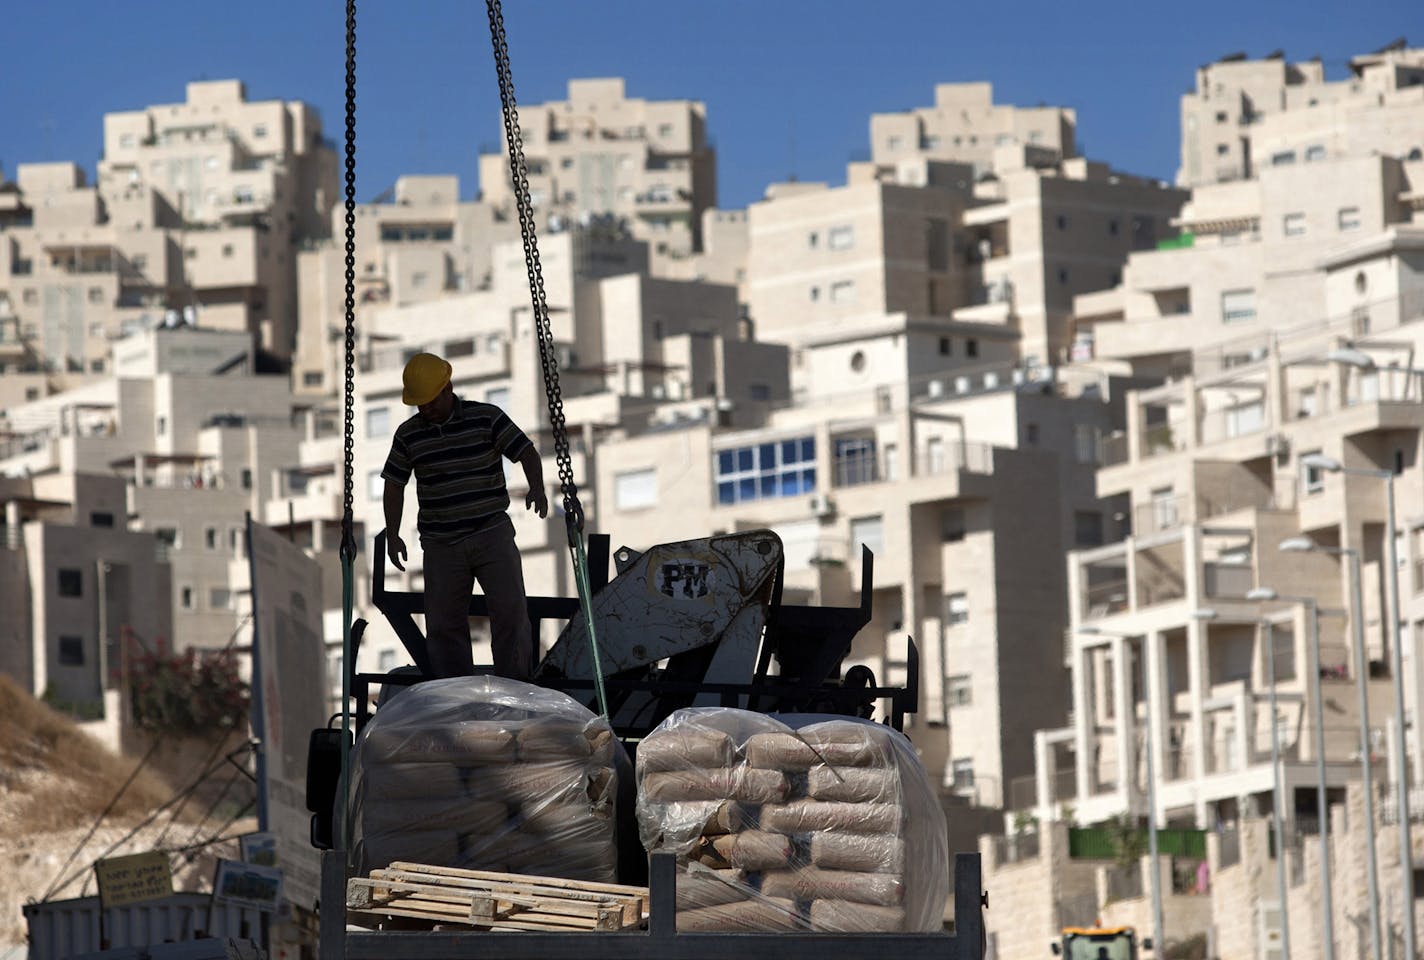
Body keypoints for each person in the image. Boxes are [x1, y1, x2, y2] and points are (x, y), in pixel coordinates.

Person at [380, 352, 548, 681]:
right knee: (444, 624)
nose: (425, 409)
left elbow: (525, 450)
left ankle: (515, 685)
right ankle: (455, 690)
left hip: (491, 533)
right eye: (420, 404)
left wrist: (538, 488)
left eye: (430, 401)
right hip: (442, 544)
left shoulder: (486, 418)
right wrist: (393, 532)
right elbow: (394, 484)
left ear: (448, 388)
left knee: (511, 612)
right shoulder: (408, 435)